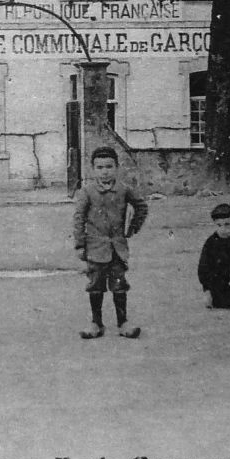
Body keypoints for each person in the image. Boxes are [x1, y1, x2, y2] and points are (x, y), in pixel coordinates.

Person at [72, 145, 149, 339]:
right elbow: (78, 219)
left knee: (119, 285)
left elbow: (141, 206)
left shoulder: (123, 189)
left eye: (109, 166)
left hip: (117, 248)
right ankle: (96, 323)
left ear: (116, 167)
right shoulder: (87, 192)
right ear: (92, 169)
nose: (105, 171)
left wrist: (132, 228)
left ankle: (123, 323)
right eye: (99, 167)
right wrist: (80, 245)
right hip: (95, 248)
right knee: (95, 285)